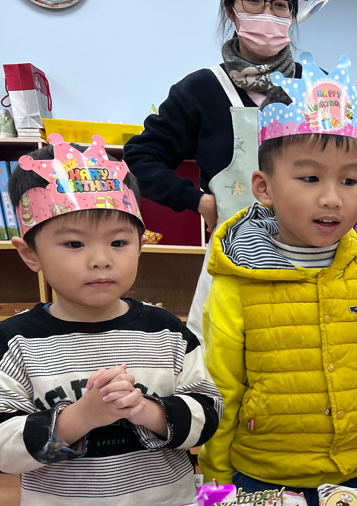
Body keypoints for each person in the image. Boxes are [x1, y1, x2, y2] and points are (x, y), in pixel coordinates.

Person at [0, 136, 223, 506]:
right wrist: (78, 418)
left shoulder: (167, 331)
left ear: (141, 244)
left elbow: (208, 412)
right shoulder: (16, 341)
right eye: (73, 243)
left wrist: (149, 411)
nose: (101, 259)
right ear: (30, 253)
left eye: (119, 241)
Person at [198, 54, 357, 506]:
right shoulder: (236, 284)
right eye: (310, 177)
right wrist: (214, 490)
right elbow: (222, 393)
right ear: (264, 187)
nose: (332, 198)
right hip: (264, 479)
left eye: (349, 180)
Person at [123, 0, 306, 341]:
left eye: (280, 5)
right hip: (234, 257)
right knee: (223, 355)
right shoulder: (201, 90)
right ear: (231, 10)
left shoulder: (317, 87)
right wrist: (196, 200)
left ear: (292, 15)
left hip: (313, 257)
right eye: (255, 2)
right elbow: (140, 156)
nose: (267, 14)